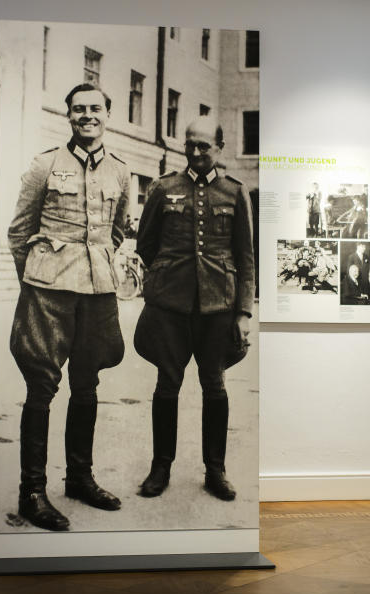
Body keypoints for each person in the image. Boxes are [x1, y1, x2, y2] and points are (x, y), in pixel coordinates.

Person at [7, 83, 130, 532]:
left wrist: (96, 265)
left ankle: (79, 477)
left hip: (97, 292)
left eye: (95, 108)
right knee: (41, 386)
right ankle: (32, 492)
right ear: (69, 117)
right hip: (49, 291)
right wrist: (40, 273)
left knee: (87, 383)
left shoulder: (120, 171)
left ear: (108, 114)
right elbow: (19, 231)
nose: (87, 116)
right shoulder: (44, 165)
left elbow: (117, 230)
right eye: (78, 110)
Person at [134, 116, 255, 502]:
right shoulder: (164, 188)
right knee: (167, 385)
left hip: (218, 304)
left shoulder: (235, 193)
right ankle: (160, 466)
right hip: (171, 304)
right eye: (191, 145)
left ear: (219, 148)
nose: (197, 152)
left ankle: (215, 469)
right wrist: (165, 279)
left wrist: (243, 312)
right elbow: (146, 244)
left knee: (214, 386)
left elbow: (246, 257)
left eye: (205, 146)